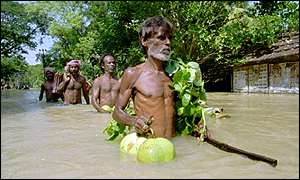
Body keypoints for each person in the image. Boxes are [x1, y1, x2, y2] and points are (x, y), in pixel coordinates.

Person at [112, 16, 176, 139]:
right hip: (148, 145)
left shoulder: (175, 75)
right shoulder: (133, 74)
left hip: (173, 146)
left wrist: (198, 124)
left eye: (170, 38)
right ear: (144, 41)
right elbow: (116, 112)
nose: (168, 42)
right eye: (161, 37)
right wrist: (133, 121)